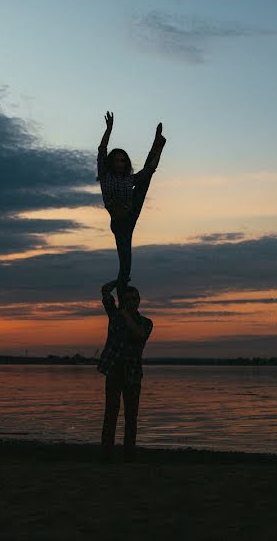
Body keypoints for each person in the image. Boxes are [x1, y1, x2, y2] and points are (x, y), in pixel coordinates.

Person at [97, 111, 166, 299]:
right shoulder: (105, 175)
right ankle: (121, 298)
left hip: (131, 213)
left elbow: (149, 170)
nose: (122, 162)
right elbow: (101, 150)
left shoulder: (128, 179)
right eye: (118, 159)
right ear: (112, 162)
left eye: (124, 160)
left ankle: (157, 143)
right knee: (125, 265)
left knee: (145, 179)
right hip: (120, 225)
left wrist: (158, 150)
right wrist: (109, 129)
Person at [97, 279, 153, 462]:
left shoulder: (146, 322)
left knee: (131, 417)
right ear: (124, 300)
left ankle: (129, 455)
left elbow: (139, 335)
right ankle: (106, 456)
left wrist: (126, 314)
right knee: (110, 414)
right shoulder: (114, 315)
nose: (133, 302)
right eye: (129, 299)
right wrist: (119, 281)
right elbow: (105, 291)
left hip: (133, 374)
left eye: (135, 299)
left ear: (139, 301)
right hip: (114, 371)